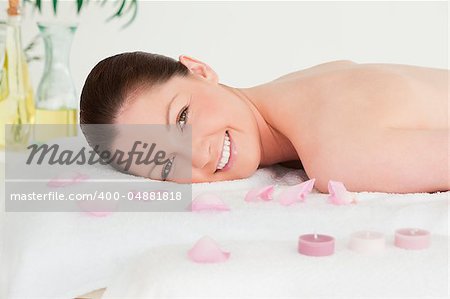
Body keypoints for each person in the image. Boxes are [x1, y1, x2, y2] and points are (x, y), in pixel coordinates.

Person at [80, 51, 449, 193]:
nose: (197, 155)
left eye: (181, 119)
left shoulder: (339, 155)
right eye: (165, 165)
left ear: (199, 70)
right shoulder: (300, 85)